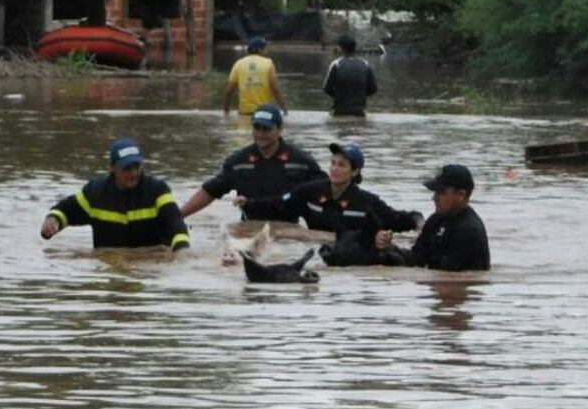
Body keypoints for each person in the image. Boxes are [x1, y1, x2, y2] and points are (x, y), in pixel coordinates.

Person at [242, 142, 423, 265]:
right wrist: (248, 203)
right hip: (312, 253)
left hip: (347, 258)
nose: (335, 169)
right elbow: (279, 203)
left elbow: (398, 219)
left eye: (342, 165)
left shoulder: (367, 202)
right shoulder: (310, 191)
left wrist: (418, 222)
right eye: (333, 163)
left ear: (354, 172)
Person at [40, 137, 191, 251]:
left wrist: (182, 251)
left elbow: (175, 222)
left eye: (137, 167)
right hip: (110, 266)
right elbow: (66, 210)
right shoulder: (95, 192)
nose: (134, 173)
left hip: (150, 266)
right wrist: (53, 220)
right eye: (127, 168)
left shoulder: (157, 190)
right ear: (112, 168)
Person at [180, 104, 324, 221]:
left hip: (288, 230)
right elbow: (210, 191)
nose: (260, 134)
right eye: (256, 128)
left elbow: (328, 190)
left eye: (266, 129)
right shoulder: (238, 161)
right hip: (249, 229)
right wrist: (178, 216)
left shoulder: (301, 161)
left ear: (280, 129)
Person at [375, 164, 490, 271]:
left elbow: (445, 275)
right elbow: (417, 258)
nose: (434, 198)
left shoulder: (468, 230)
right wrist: (389, 247)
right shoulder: (435, 220)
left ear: (461, 195)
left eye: (441, 192)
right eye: (435, 192)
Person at [224, 36, 289, 116]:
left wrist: (226, 110)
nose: (266, 51)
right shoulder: (268, 63)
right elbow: (275, 89)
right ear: (260, 50)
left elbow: (229, 91)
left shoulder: (238, 63)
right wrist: (284, 109)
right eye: (265, 48)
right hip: (264, 112)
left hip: (244, 112)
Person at [323, 34, 377, 117]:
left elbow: (327, 88)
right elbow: (373, 89)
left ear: (341, 48)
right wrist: (360, 95)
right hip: (359, 111)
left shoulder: (336, 64)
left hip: (339, 110)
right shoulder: (365, 64)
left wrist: (339, 96)